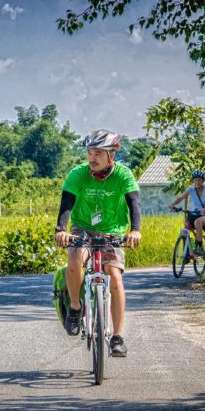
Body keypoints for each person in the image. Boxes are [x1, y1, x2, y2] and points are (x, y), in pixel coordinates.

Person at [55, 129, 142, 357]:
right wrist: (61, 230)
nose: (92, 158)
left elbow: (134, 202)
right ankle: (75, 308)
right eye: (89, 153)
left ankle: (117, 337)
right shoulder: (78, 174)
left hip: (111, 232)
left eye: (97, 153)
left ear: (111, 155)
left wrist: (135, 231)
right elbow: (67, 202)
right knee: (74, 261)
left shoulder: (124, 175)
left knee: (114, 275)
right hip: (82, 228)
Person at [168, 170, 205, 255]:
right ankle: (188, 252)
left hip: (204, 214)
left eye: (199, 180)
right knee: (185, 231)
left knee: (197, 222)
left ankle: (199, 247)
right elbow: (181, 197)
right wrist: (172, 204)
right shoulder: (191, 189)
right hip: (193, 213)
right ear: (193, 181)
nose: (197, 182)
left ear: (203, 181)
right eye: (195, 180)